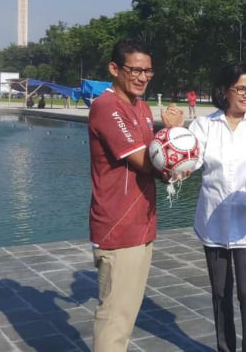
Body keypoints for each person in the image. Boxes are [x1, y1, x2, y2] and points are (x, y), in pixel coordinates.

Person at [87, 38, 183, 352]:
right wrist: (177, 144)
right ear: (114, 69)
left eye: (148, 71)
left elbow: (159, 157)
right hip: (118, 226)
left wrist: (170, 139)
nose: (142, 77)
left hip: (142, 223)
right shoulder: (106, 106)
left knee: (127, 314)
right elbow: (145, 160)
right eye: (135, 70)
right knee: (114, 317)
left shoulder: (139, 106)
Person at [188, 62, 246, 352]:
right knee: (220, 292)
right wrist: (173, 148)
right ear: (224, 91)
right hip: (213, 219)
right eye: (240, 88)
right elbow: (189, 160)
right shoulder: (205, 125)